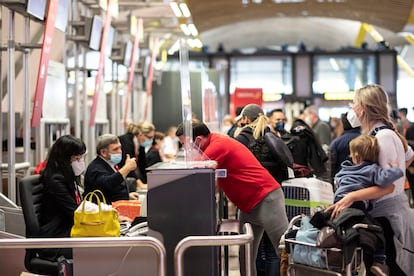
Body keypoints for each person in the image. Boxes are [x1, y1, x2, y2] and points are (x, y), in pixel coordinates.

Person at [176, 120, 289, 276]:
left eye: (186, 144)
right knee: (245, 256)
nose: (185, 149)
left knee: (283, 250)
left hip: (266, 198)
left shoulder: (218, 144)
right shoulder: (213, 145)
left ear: (198, 140)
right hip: (248, 206)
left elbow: (194, 167)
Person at [328, 84, 414, 276]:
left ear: (364, 108)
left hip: (388, 219)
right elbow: (408, 157)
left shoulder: (383, 137)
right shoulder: (385, 133)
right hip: (385, 214)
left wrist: (351, 196)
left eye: (354, 104)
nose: (352, 108)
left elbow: (388, 186)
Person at [334, 134, 404, 275]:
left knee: (347, 230)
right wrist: (396, 168)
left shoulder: (344, 170)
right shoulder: (371, 169)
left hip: (339, 203)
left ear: (356, 155)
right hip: (357, 205)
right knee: (377, 230)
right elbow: (385, 181)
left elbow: (337, 181)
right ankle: (379, 262)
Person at [236, 104, 292, 276]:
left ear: (245, 119)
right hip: (273, 197)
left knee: (247, 253)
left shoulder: (241, 139)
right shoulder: (272, 137)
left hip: (250, 199)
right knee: (280, 250)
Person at [38, 135, 86, 261]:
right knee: (100, 249)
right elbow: (74, 212)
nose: (81, 162)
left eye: (82, 157)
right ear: (64, 158)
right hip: (57, 238)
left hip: (68, 231)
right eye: (77, 158)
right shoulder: (56, 181)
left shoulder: (68, 177)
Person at [84, 134, 139, 204]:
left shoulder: (111, 163)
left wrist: (127, 195)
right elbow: (108, 184)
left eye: (120, 147)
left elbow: (113, 189)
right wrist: (127, 168)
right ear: (103, 152)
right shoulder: (95, 168)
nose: (120, 151)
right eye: (115, 149)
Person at [118, 122, 155, 190]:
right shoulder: (126, 142)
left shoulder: (140, 144)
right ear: (141, 134)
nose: (151, 140)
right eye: (149, 137)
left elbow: (142, 165)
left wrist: (148, 182)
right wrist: (140, 184)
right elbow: (129, 166)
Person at [329, 112, 361, 181]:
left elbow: (332, 165)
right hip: (362, 179)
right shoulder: (366, 140)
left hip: (342, 179)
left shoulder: (336, 143)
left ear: (343, 124)